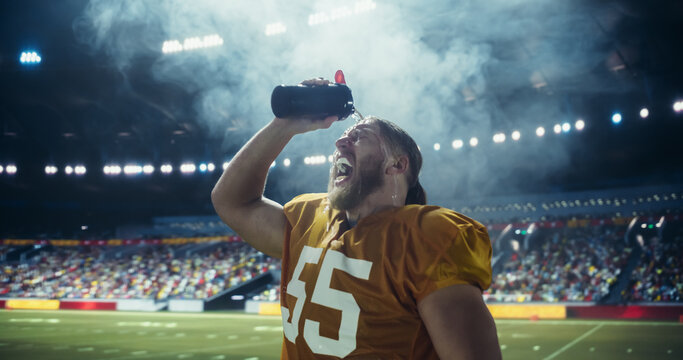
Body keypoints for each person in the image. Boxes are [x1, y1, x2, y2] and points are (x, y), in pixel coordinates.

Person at [212, 78, 501, 359]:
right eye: (344, 136)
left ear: (397, 164)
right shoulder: (308, 219)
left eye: (359, 136)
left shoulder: (427, 236)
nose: (339, 142)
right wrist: (284, 126)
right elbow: (232, 201)